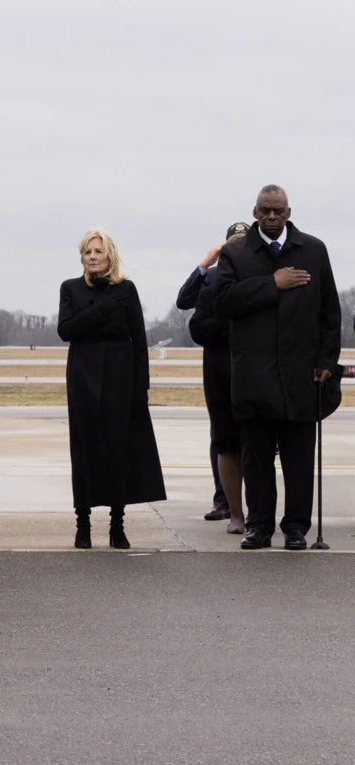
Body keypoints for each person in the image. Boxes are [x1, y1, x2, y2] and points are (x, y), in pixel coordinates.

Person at [213, 185, 341, 551]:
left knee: (300, 459)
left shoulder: (313, 250)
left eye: (278, 211)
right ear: (255, 212)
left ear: (288, 212)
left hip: (301, 377)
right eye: (266, 211)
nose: (272, 217)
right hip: (254, 377)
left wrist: (326, 362)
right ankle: (259, 526)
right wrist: (272, 283)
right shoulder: (236, 254)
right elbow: (222, 302)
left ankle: (297, 527)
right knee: (256, 459)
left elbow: (330, 314)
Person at [57, 228, 166, 548]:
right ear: (81, 257)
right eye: (88, 252)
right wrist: (103, 308)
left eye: (99, 252)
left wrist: (141, 388)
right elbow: (66, 330)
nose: (93, 257)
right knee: (85, 449)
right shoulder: (70, 288)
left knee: (120, 449)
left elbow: (140, 340)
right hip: (84, 375)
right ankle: (83, 523)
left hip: (121, 375)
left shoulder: (126, 290)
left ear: (110, 256)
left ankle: (117, 524)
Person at [176, 222, 251, 521]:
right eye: (232, 243)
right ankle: (223, 500)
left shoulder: (256, 274)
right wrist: (205, 264)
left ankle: (251, 506)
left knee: (254, 437)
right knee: (221, 437)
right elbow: (183, 301)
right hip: (218, 367)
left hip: (249, 366)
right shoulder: (212, 276)